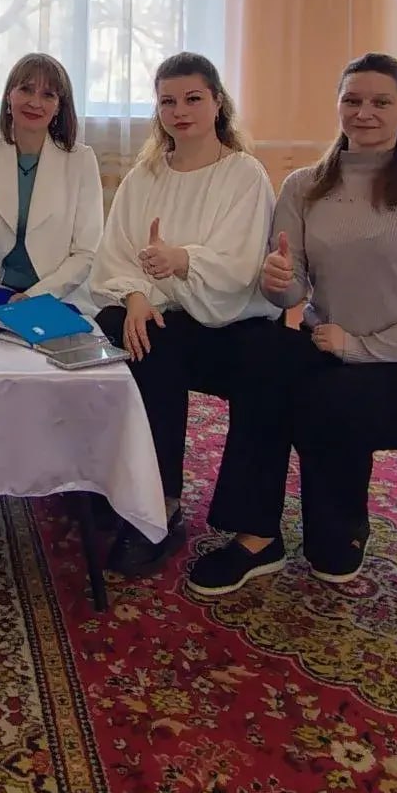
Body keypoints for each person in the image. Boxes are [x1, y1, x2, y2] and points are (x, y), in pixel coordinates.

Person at [188, 52, 397, 595]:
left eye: (381, 102)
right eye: (352, 100)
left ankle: (338, 534)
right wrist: (276, 280)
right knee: (259, 355)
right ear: (339, 106)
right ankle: (256, 536)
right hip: (330, 351)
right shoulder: (304, 187)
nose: (364, 112)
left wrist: (362, 347)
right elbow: (291, 291)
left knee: (328, 396)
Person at [90, 52, 284, 576]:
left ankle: (250, 526)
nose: (180, 111)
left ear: (217, 102)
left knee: (271, 357)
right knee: (135, 334)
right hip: (163, 318)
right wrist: (135, 294)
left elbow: (241, 265)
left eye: (193, 98)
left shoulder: (244, 175)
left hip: (231, 324)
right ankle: (159, 502)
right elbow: (115, 254)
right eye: (168, 101)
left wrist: (183, 260)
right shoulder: (145, 176)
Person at [0, 53, 103, 314]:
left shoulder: (81, 160)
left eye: (48, 95)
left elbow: (87, 253)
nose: (35, 102)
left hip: (61, 295)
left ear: (59, 107)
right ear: (9, 96)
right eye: (26, 89)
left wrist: (32, 297)